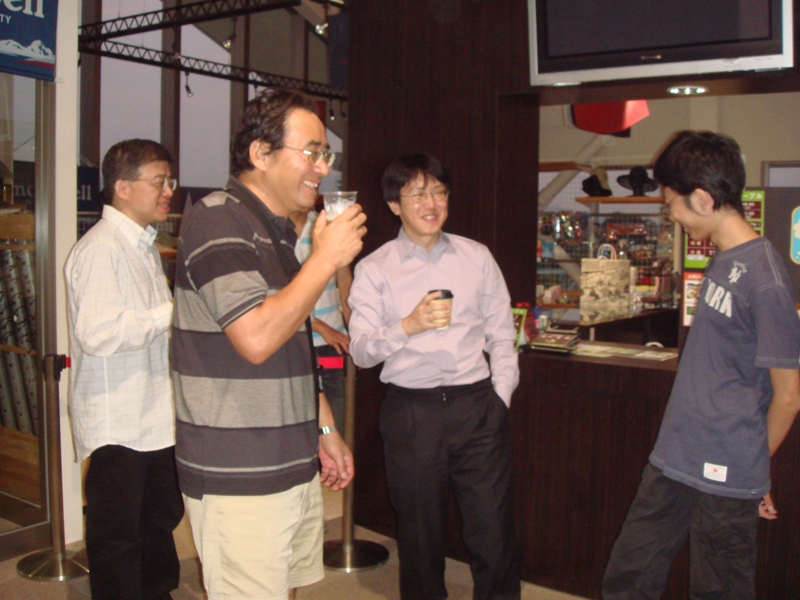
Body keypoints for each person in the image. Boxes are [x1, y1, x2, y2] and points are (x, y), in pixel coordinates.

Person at [170, 87, 366, 599]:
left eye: (326, 155)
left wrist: (324, 427)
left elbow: (290, 344)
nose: (322, 169)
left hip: (289, 457)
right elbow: (256, 338)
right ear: (260, 153)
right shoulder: (217, 218)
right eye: (312, 152)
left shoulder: (275, 233)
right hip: (239, 469)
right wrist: (326, 259)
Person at [602, 130, 800, 599]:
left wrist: (753, 472)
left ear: (704, 199)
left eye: (671, 203)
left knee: (719, 591)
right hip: (674, 455)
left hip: (726, 467)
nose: (669, 213)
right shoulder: (724, 258)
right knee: (628, 578)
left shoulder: (767, 280)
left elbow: (789, 396)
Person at [348, 153, 521, 600]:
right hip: (413, 412)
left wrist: (499, 397)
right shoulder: (374, 268)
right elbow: (361, 350)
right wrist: (408, 325)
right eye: (417, 194)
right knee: (420, 535)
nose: (431, 203)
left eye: (439, 192)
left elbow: (503, 334)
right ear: (394, 204)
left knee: (494, 530)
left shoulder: (476, 256)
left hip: (477, 406)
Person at [65, 139, 184, 600]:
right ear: (122, 186)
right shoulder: (102, 248)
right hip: (119, 424)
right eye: (159, 181)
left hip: (153, 417)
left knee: (158, 520)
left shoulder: (144, 246)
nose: (168, 190)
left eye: (170, 181)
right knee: (118, 536)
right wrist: (170, 313)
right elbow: (98, 334)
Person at [292, 206, 353, 433]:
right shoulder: (271, 227)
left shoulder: (327, 224)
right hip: (292, 342)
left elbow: (344, 283)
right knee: (298, 430)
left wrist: (357, 333)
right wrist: (317, 325)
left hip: (331, 346)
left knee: (334, 428)